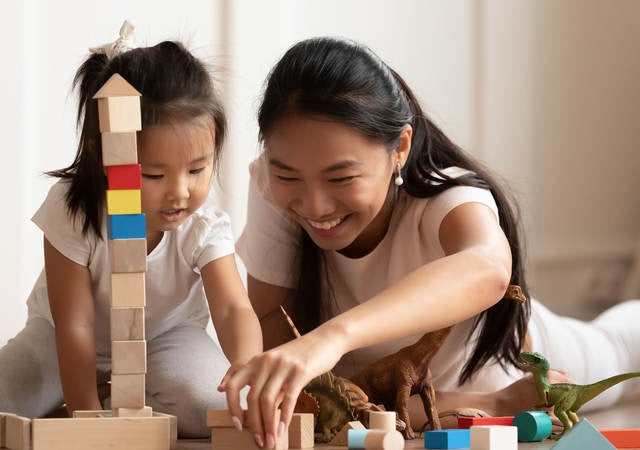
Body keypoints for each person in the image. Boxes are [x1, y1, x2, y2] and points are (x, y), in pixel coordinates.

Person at [220, 37, 640, 448]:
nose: (313, 204)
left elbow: (488, 268)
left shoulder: (448, 197)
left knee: (622, 349)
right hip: (410, 404)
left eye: (342, 178)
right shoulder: (270, 188)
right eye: (288, 176)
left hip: (522, 363)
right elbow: (272, 324)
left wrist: (330, 339)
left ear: (399, 148)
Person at [0, 24, 262, 438]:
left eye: (198, 169)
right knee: (7, 399)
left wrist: (248, 371)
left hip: (167, 338)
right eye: (155, 174)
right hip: (59, 338)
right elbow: (75, 324)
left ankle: (124, 399)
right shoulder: (72, 210)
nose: (180, 192)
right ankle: (90, 399)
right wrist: (85, 418)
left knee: (209, 409)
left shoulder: (203, 223)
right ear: (103, 157)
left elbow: (233, 308)